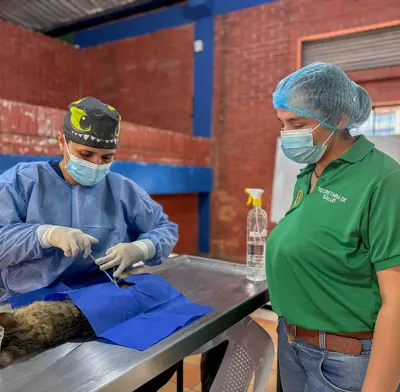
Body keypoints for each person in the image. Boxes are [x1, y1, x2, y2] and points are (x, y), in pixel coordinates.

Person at [0, 97, 179, 390]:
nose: (96, 165)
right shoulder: (22, 181)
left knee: (150, 368)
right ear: (62, 141)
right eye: (86, 154)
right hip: (34, 302)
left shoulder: (120, 189)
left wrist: (142, 248)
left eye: (106, 158)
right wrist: (43, 234)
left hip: (102, 297)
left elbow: (164, 228)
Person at [266, 62, 400, 392]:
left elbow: (397, 301)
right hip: (295, 345)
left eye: (297, 123)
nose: (287, 135)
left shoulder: (383, 180)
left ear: (339, 119)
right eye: (283, 124)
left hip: (343, 361)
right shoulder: (310, 173)